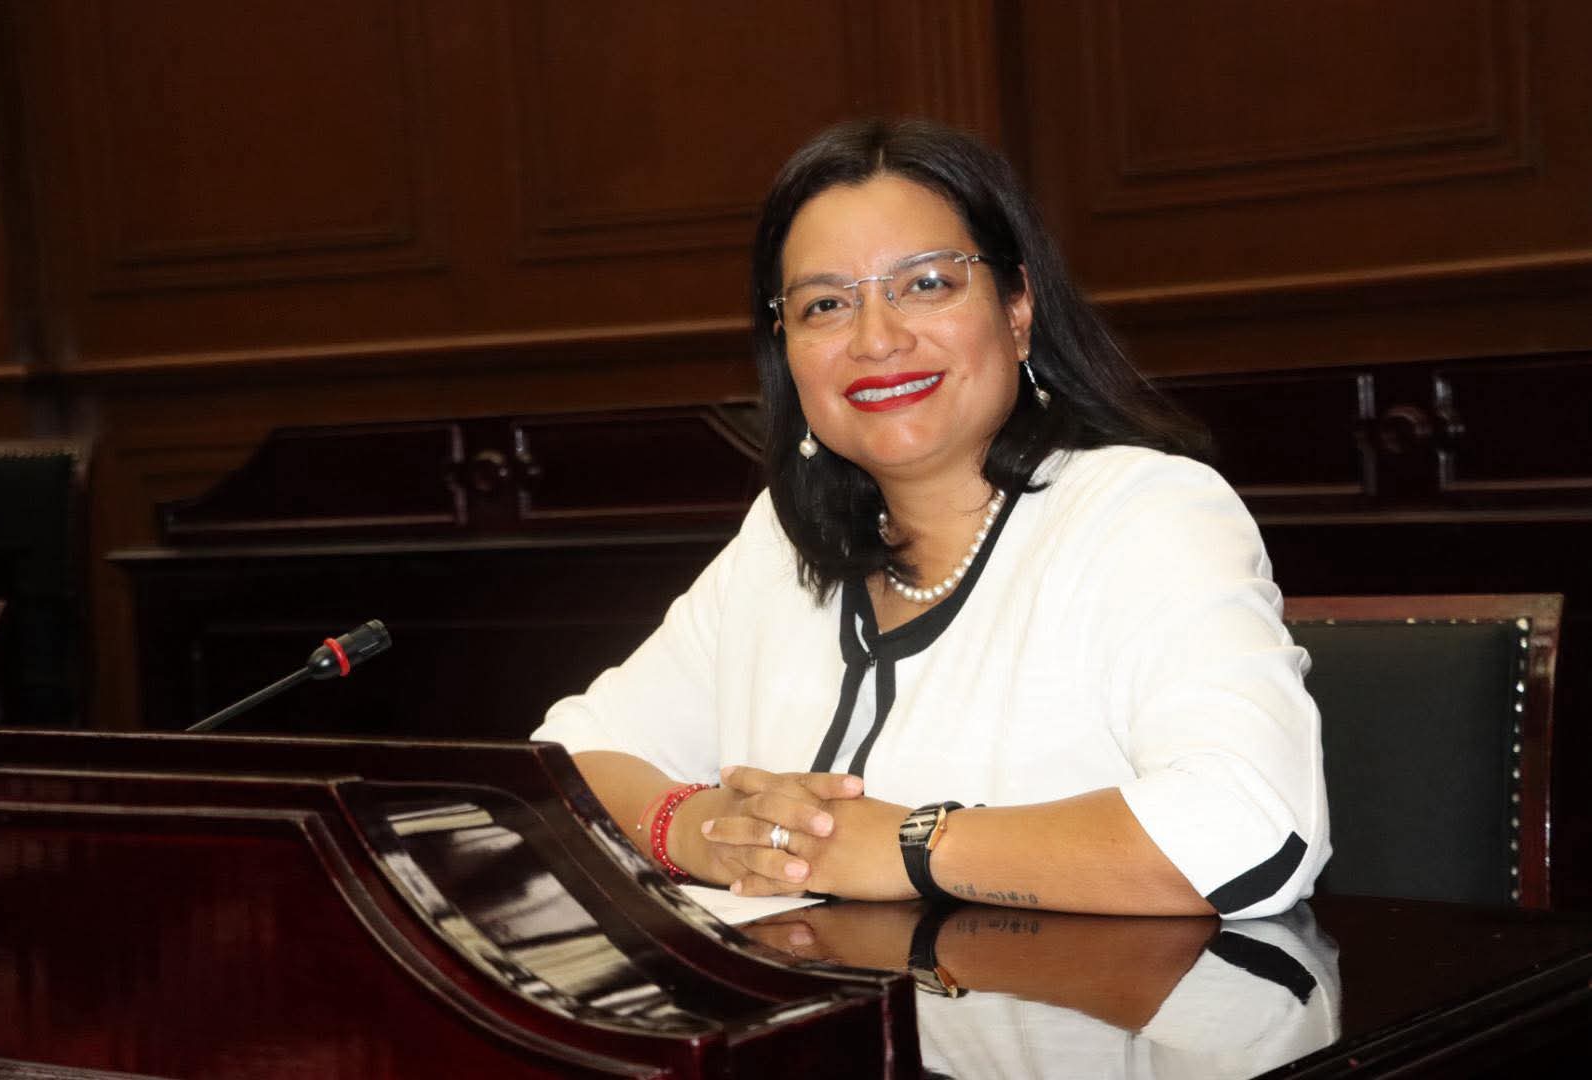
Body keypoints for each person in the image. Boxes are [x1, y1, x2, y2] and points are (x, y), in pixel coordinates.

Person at [533, 118, 1328, 919]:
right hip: (815, 999)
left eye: (926, 285)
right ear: (786, 348)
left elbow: (1253, 834)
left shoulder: (1145, 513)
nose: (876, 339)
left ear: (1017, 308)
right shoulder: (779, 542)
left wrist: (911, 844)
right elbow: (556, 769)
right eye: (825, 305)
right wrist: (699, 829)